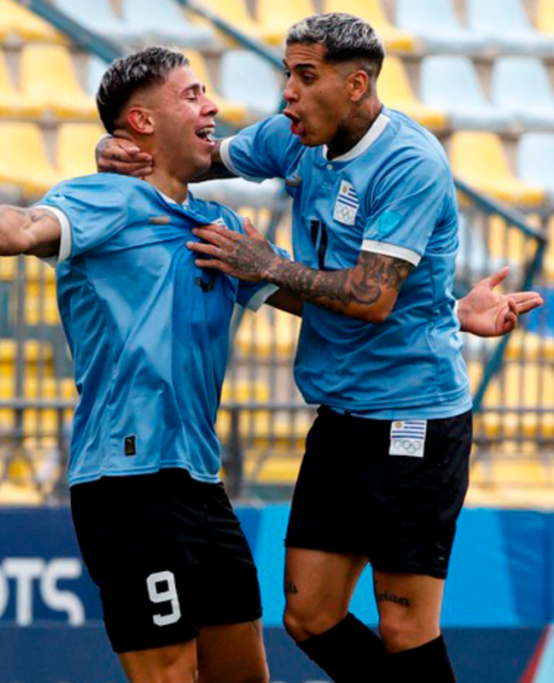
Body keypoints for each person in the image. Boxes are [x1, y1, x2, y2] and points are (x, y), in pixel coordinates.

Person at [98, 13, 544, 682]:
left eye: (306, 77)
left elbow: (371, 297)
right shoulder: (295, 139)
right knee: (308, 615)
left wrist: (268, 263)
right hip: (342, 417)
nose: (287, 94)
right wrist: (128, 158)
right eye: (286, 74)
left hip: (414, 418)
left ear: (356, 83)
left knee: (403, 624)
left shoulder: (408, 164)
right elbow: (200, 159)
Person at [0, 47, 290, 683]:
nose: (210, 106)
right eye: (191, 95)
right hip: (128, 483)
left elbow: (320, 296)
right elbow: (26, 223)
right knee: (168, 674)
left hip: (201, 483)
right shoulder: (102, 199)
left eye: (206, 91)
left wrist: (450, 310)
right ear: (142, 122)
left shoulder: (220, 226)